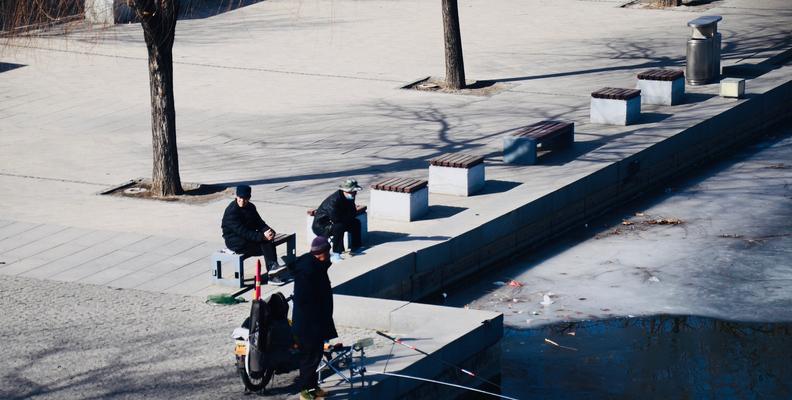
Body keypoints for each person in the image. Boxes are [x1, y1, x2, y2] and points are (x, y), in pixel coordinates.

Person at [291, 236, 337, 400]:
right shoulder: (309, 270)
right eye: (328, 252)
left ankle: (312, 386)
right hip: (309, 323)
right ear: (322, 253)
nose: (330, 255)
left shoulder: (316, 265)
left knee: (316, 354)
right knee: (309, 358)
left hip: (316, 321)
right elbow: (306, 299)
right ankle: (306, 392)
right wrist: (317, 316)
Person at [221, 185, 282, 284]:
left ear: (249, 198)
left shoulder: (251, 207)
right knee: (265, 242)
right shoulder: (232, 212)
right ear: (237, 197)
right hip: (235, 241)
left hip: (248, 238)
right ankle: (273, 271)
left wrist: (269, 231)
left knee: (268, 240)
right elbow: (242, 231)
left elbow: (259, 222)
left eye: (245, 199)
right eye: (240, 198)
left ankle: (273, 270)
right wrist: (262, 236)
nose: (242, 201)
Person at [311, 178, 363, 261]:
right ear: (345, 191)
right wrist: (347, 217)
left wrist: (349, 218)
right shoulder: (334, 200)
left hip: (339, 221)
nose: (354, 194)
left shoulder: (349, 198)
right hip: (322, 225)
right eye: (352, 192)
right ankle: (336, 253)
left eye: (355, 192)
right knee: (339, 227)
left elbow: (353, 212)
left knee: (356, 223)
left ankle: (356, 247)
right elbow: (335, 218)